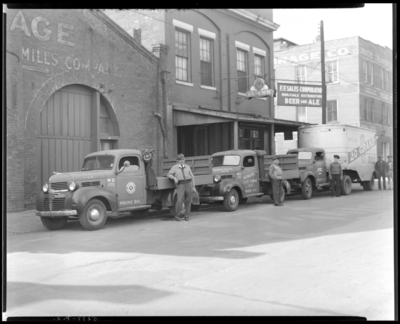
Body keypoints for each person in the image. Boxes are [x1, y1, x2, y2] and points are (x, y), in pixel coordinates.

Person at [167, 154, 197, 221]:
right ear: (178, 161)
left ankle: (187, 216)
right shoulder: (175, 167)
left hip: (189, 183)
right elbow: (168, 174)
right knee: (179, 200)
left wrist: (193, 186)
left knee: (188, 201)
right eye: (180, 160)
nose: (182, 161)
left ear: (184, 159)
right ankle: (177, 215)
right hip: (180, 184)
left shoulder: (187, 167)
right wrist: (174, 178)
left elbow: (192, 176)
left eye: (183, 159)